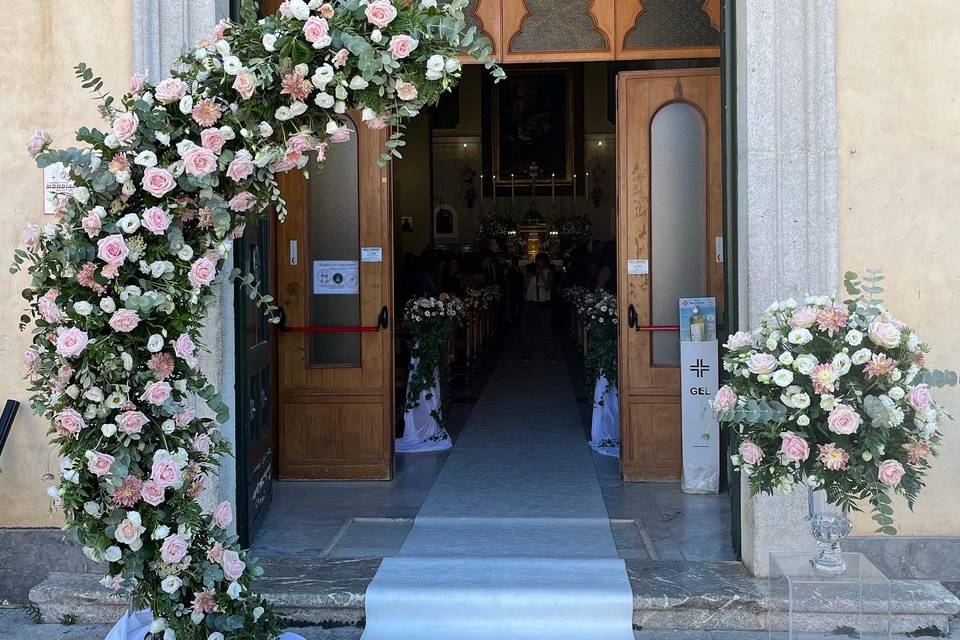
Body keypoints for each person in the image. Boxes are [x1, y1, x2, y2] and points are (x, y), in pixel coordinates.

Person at [521, 253, 556, 361]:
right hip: (531, 303)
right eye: (537, 261)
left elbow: (547, 287)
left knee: (546, 329)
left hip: (544, 303)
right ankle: (527, 352)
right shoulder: (530, 272)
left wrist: (541, 274)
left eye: (540, 261)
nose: (538, 263)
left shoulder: (549, 272)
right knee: (528, 329)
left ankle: (551, 354)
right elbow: (525, 286)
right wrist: (530, 275)